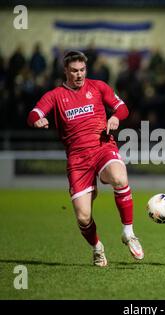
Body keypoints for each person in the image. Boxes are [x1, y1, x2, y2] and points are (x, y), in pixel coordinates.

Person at [27, 50, 144, 267]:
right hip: (77, 160)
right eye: (74, 71)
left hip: (102, 147)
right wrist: (37, 120)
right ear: (65, 71)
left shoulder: (98, 87)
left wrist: (116, 117)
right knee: (83, 217)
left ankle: (128, 232)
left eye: (82, 70)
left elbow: (122, 108)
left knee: (119, 177)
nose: (79, 74)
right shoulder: (55, 95)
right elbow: (33, 113)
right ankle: (97, 248)